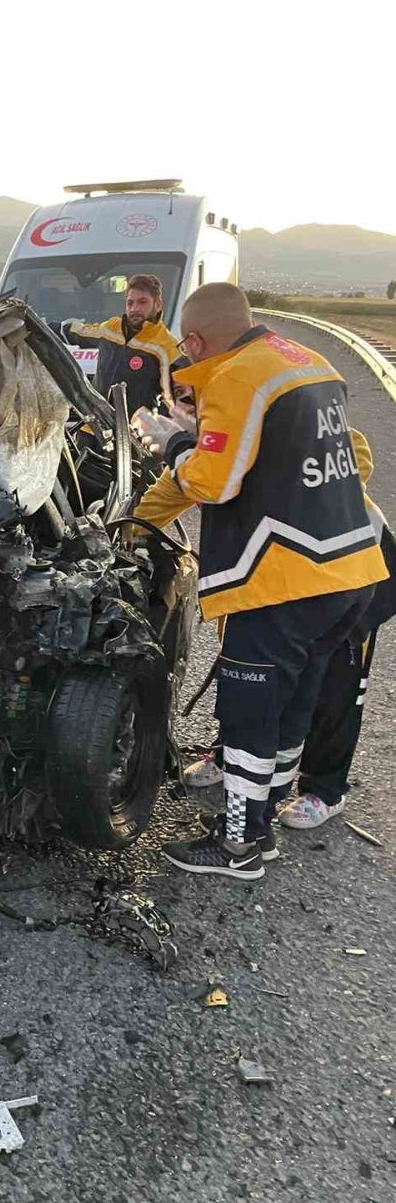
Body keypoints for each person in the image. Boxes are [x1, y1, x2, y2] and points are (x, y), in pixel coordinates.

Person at [134, 283, 387, 881]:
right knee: (290, 705)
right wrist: (137, 522)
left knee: (250, 714)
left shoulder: (237, 378)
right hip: (349, 572)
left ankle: (239, 846)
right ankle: (265, 815)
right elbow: (356, 455)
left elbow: (213, 481)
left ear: (193, 341)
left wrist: (175, 444)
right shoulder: (305, 362)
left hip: (283, 580)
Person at [61, 273, 180, 417]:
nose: (135, 308)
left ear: (158, 304)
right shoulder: (112, 328)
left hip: (133, 434)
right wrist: (39, 327)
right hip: (94, 427)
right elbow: (78, 331)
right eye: (130, 303)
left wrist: (152, 428)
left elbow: (172, 403)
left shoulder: (168, 347)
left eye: (142, 302)